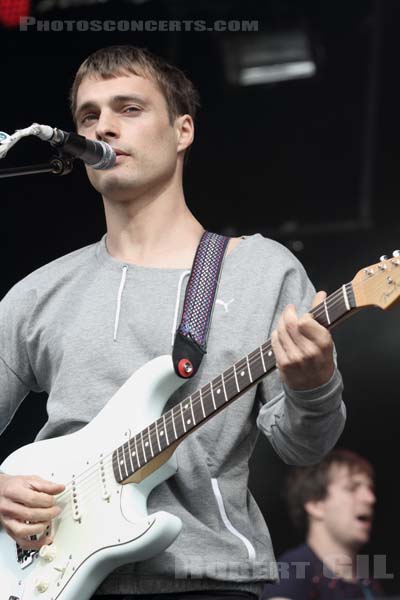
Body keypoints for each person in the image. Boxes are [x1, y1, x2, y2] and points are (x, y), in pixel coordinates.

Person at [0, 45, 346, 599]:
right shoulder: (39, 292)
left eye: (128, 109)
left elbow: (304, 450)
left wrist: (314, 385)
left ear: (183, 131)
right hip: (50, 580)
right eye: (89, 116)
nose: (104, 127)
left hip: (210, 582)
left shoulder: (261, 270)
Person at [262, 449, 384, 599]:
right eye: (352, 488)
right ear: (315, 504)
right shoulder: (293, 571)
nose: (370, 498)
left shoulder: (368, 582)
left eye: (370, 489)